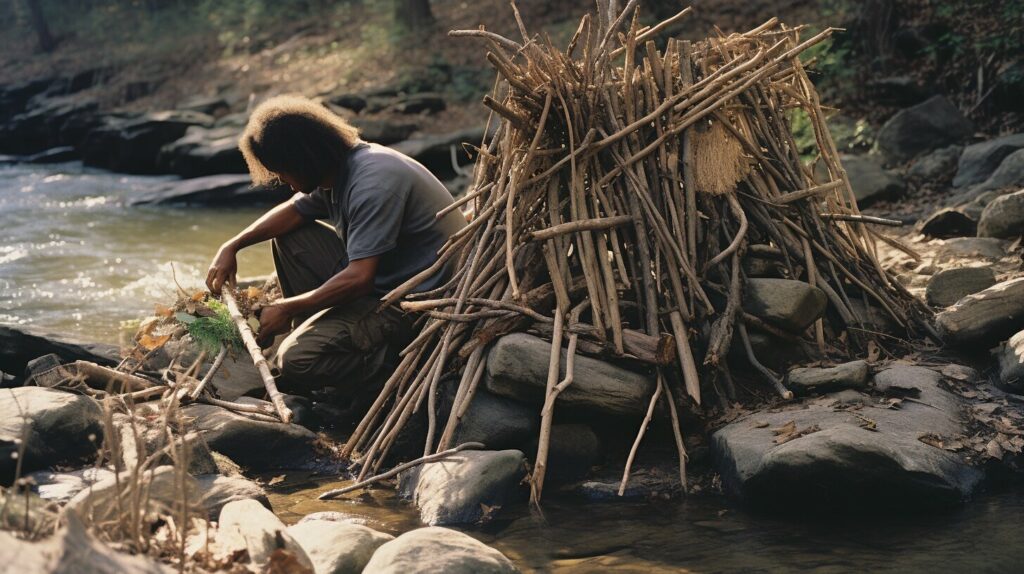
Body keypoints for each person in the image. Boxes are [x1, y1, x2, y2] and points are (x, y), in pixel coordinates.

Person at [206, 95, 466, 405]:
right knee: (292, 237)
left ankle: (380, 372)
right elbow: (294, 211)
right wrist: (233, 245)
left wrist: (289, 308)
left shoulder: (373, 182)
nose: (285, 182)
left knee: (296, 360)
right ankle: (328, 333)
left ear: (305, 159)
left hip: (413, 307)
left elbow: (359, 279)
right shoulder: (339, 170)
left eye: (284, 172)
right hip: (384, 284)